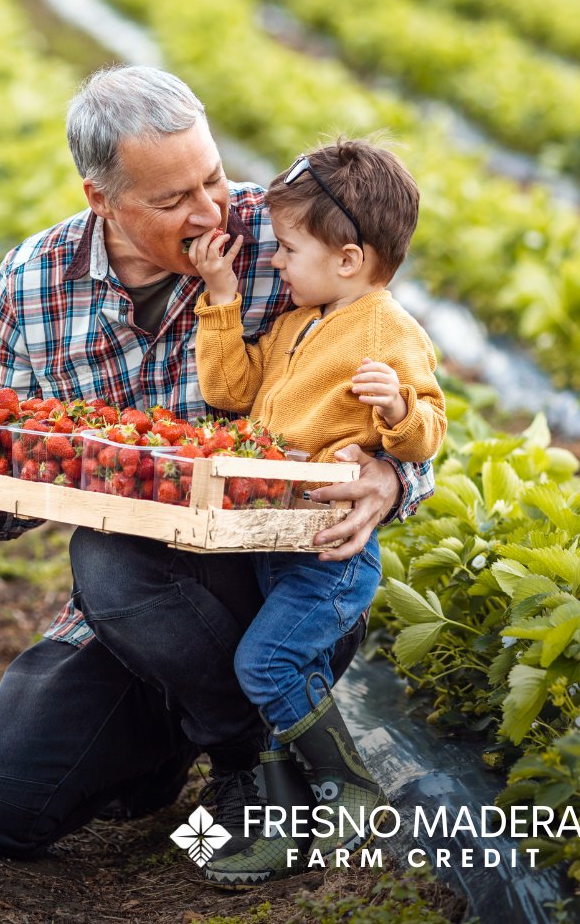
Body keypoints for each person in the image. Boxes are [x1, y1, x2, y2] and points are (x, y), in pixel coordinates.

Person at [0, 66, 434, 862]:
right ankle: (177, 748)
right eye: (172, 200)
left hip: (270, 579)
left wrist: (395, 477)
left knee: (108, 550)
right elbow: (29, 462)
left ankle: (245, 762)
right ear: (101, 200)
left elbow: (396, 376)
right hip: (128, 619)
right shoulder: (33, 283)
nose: (211, 209)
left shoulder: (291, 238)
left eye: (214, 177)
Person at [183, 138, 445, 885]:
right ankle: (285, 823)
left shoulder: (387, 332)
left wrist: (395, 410)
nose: (275, 261)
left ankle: (352, 790)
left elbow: (429, 428)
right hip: (276, 541)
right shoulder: (302, 322)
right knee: (281, 682)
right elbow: (232, 393)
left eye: (287, 249)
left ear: (350, 259)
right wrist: (224, 299)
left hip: (329, 552)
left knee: (265, 666)